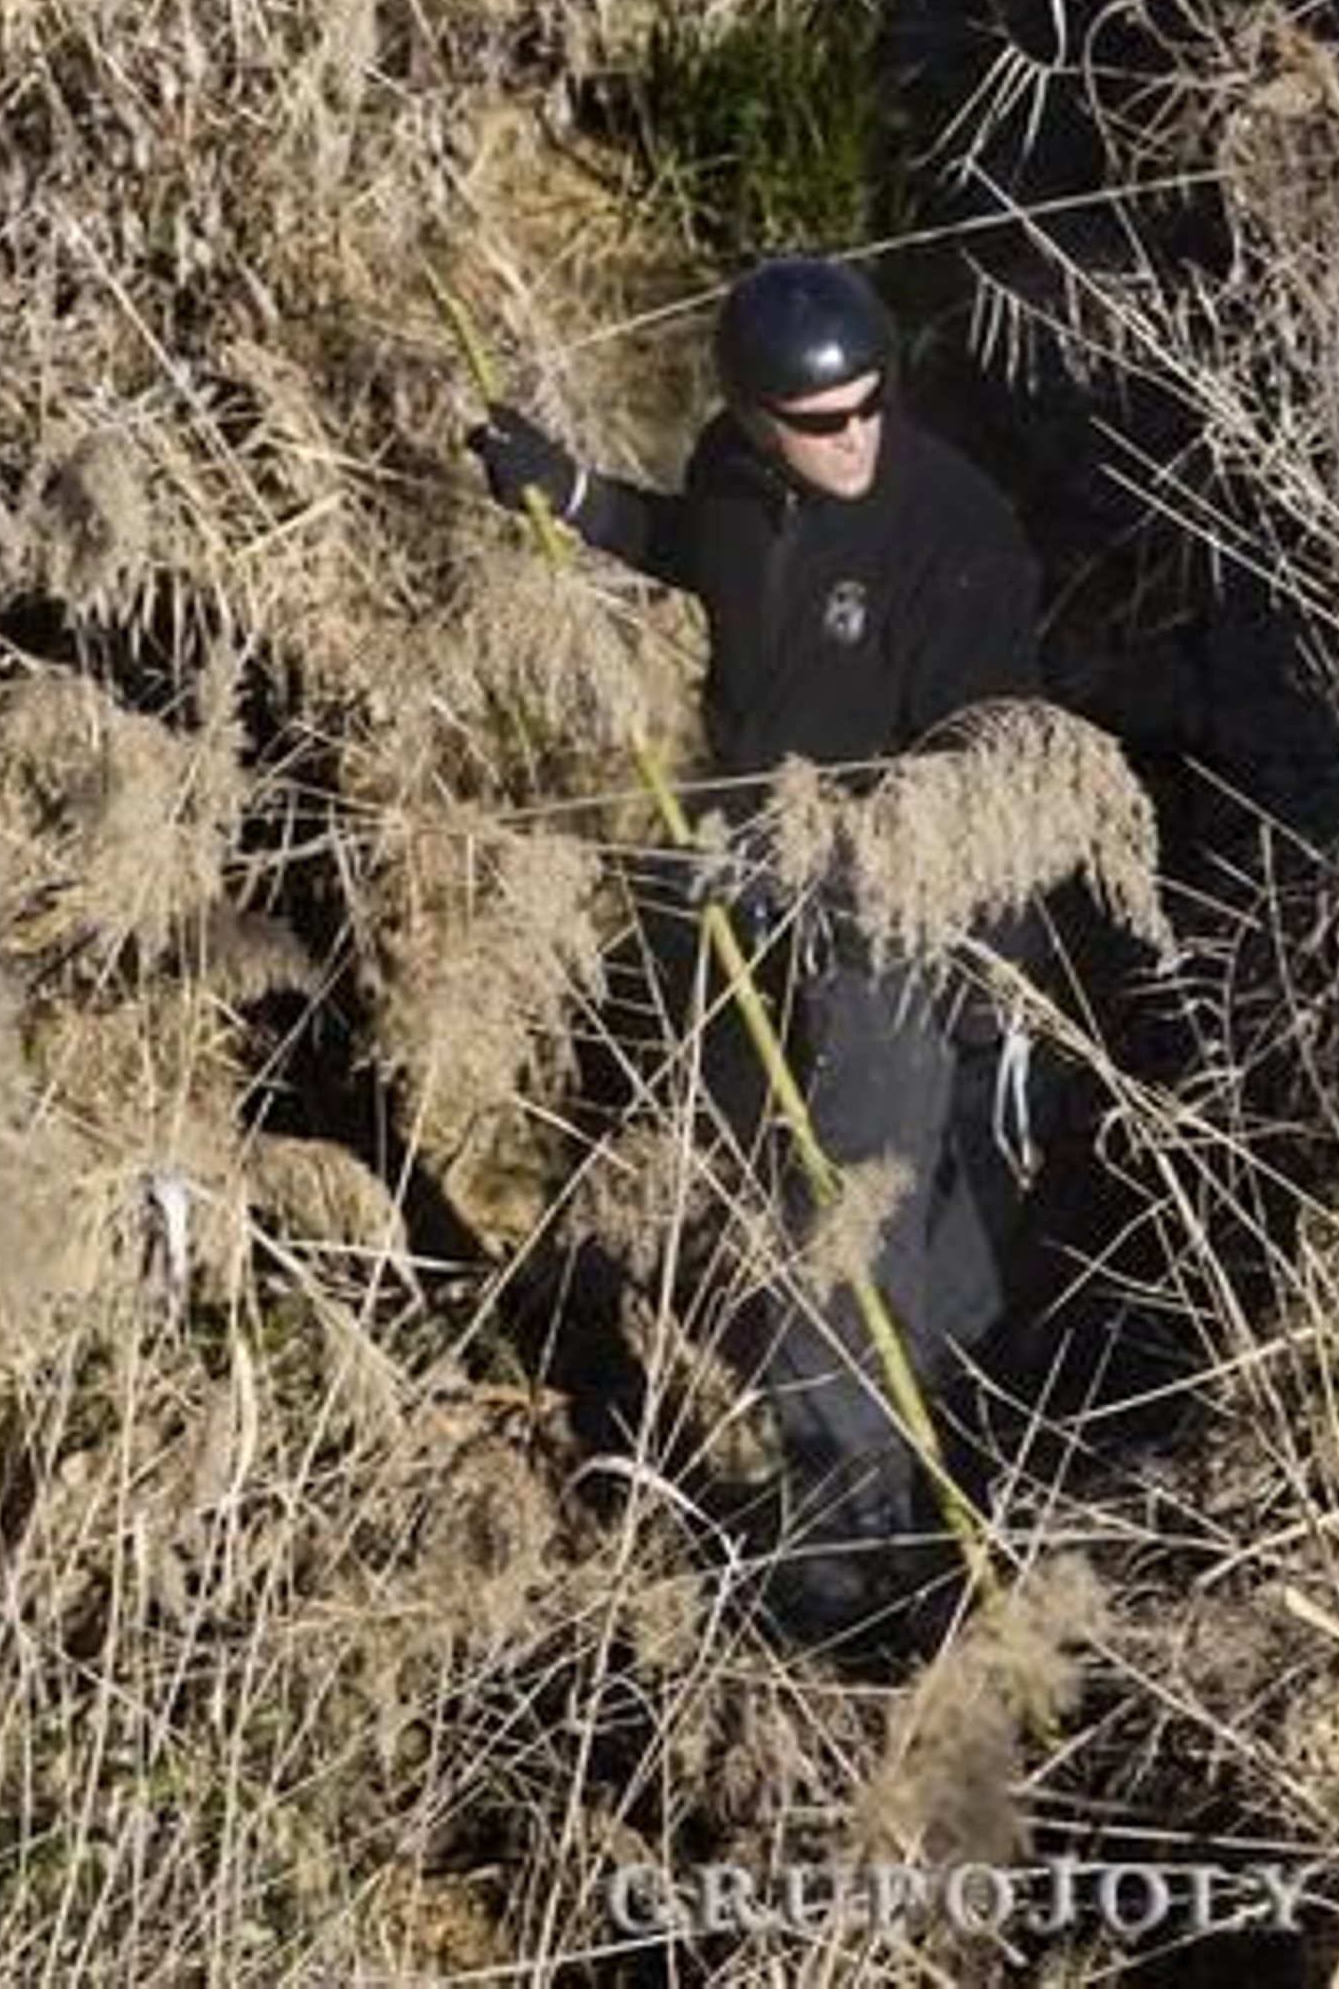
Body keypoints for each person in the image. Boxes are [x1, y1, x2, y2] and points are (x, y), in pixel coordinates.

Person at [474, 256, 1044, 1643]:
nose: (856, 437)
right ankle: (954, 1409)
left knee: (835, 1235)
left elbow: (990, 770)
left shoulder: (954, 534)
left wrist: (968, 957)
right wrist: (578, 500)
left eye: (870, 407)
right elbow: (703, 555)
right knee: (896, 1213)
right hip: (760, 875)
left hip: (902, 909)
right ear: (754, 414)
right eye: (823, 420)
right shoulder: (735, 467)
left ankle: (845, 1574)